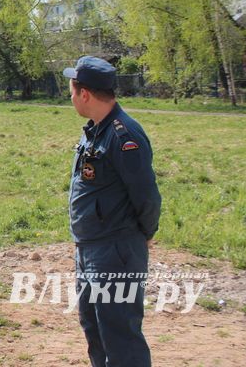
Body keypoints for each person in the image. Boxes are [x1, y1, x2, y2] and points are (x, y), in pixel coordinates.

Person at [64, 56, 162, 367]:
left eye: (72, 89)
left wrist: (143, 236)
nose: (70, 96)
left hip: (115, 251)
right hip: (91, 249)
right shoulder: (96, 130)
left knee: (120, 336)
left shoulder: (124, 135)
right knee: (94, 330)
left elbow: (146, 196)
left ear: (85, 94)